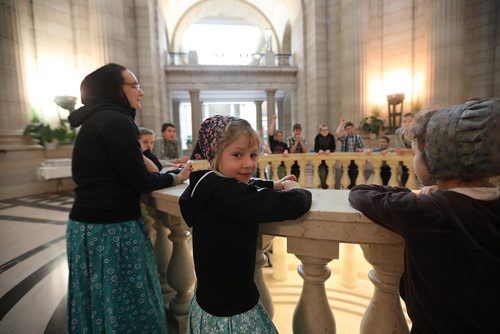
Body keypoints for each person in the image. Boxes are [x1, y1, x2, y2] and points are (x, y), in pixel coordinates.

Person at [349, 98, 500, 333]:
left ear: (435, 159)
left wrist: (416, 195)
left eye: (417, 153)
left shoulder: (426, 211)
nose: (414, 159)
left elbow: (360, 194)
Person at [66, 63, 191, 333]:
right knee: (128, 302)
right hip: (112, 230)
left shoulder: (97, 119)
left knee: (99, 301)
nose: (141, 92)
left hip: (86, 227)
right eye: (134, 85)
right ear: (114, 90)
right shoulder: (116, 121)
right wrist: (176, 178)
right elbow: (142, 180)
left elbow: (131, 167)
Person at [179, 115, 312, 333]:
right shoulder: (229, 196)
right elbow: (291, 206)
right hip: (232, 309)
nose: (248, 163)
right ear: (215, 155)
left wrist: (274, 184)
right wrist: (296, 190)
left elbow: (247, 184)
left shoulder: (206, 184)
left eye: (253, 155)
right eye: (237, 155)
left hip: (207, 303)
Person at [335, 119, 364, 189]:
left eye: (351, 128)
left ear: (353, 129)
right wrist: (341, 124)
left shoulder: (357, 137)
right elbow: (337, 134)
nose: (350, 130)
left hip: (355, 161)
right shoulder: (344, 137)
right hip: (345, 161)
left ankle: (352, 190)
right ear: (345, 130)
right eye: (348, 129)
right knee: (345, 177)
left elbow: (362, 148)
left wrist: (360, 150)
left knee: (354, 178)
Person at [395, 112, 415, 186]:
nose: (407, 124)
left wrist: (409, 150)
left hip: (416, 158)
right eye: (404, 122)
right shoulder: (398, 132)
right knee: (405, 175)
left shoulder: (418, 131)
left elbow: (420, 147)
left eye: (410, 121)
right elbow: (398, 145)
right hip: (404, 158)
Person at [267, 114, 290, 179]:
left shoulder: (284, 144)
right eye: (278, 136)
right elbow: (270, 132)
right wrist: (273, 121)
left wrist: (286, 151)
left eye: (281, 136)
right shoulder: (273, 142)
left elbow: (287, 150)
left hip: (281, 166)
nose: (280, 137)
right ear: (276, 136)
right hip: (273, 164)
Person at [314, 124, 336, 189]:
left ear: (328, 130)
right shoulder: (317, 137)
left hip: (330, 159)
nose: (324, 131)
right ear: (320, 131)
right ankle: (324, 187)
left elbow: (333, 147)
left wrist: (329, 150)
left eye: (326, 130)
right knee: (322, 173)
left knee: (330, 174)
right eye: (323, 130)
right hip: (321, 161)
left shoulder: (331, 136)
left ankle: (330, 188)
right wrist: (319, 150)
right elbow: (316, 148)